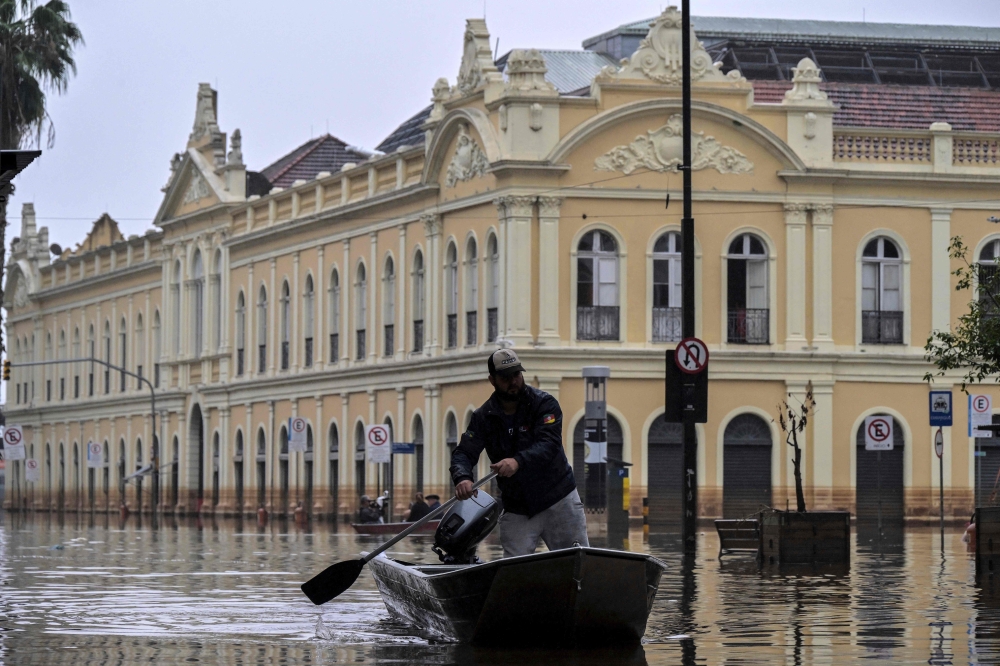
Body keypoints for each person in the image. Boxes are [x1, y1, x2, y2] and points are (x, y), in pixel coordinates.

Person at [451, 349, 588, 558]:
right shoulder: (483, 417)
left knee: (578, 561)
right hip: (517, 506)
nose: (513, 381)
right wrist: (462, 478)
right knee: (513, 570)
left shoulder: (545, 404)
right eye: (506, 378)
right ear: (492, 380)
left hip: (559, 498)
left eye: (517, 374)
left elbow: (549, 443)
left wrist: (517, 462)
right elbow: (464, 452)